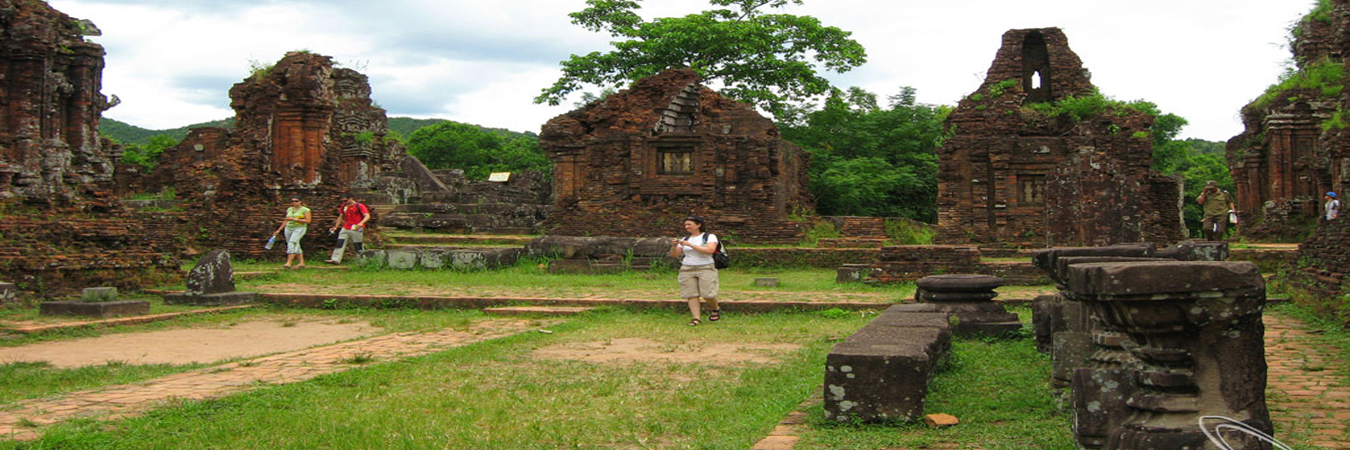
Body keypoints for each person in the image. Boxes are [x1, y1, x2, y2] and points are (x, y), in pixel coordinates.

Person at [668, 215, 721, 326]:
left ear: (698, 225)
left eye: (689, 224)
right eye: (685, 225)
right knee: (691, 294)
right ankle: (696, 318)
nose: (687, 227)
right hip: (687, 268)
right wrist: (674, 246)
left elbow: (710, 250)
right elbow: (675, 254)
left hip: (705, 267)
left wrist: (691, 245)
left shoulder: (709, 237)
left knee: (708, 294)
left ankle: (715, 308)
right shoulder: (685, 239)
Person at [326, 194, 371, 264]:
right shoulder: (344, 206)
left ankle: (361, 261)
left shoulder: (359, 206)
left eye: (346, 200)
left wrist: (361, 223)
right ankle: (335, 259)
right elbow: (341, 216)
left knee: (357, 245)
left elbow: (367, 215)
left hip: (356, 228)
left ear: (351, 198)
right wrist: (336, 226)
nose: (344, 202)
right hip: (346, 227)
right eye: (343, 201)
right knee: (340, 243)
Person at [272, 197, 312, 269]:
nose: (294, 203)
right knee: (295, 244)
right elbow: (286, 220)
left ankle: (289, 262)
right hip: (289, 228)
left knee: (292, 243)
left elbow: (308, 220)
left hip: (299, 228)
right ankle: (301, 263)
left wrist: (295, 219)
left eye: (296, 201)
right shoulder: (290, 209)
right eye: (292, 201)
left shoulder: (305, 210)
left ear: (300, 201)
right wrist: (279, 229)